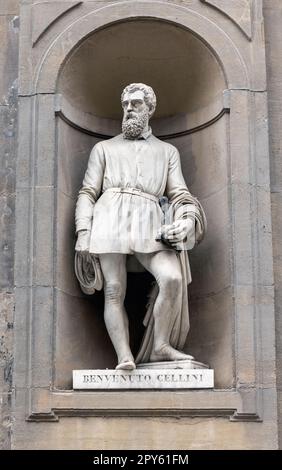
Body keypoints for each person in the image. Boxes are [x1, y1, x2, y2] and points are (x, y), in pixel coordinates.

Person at [75, 83, 206, 370]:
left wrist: (186, 220)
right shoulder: (104, 148)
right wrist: (83, 231)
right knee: (113, 288)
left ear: (149, 108)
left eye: (135, 104)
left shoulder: (167, 151)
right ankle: (124, 356)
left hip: (149, 218)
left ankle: (160, 345)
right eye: (125, 104)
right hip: (109, 214)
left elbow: (180, 194)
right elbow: (87, 192)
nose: (129, 109)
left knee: (172, 278)